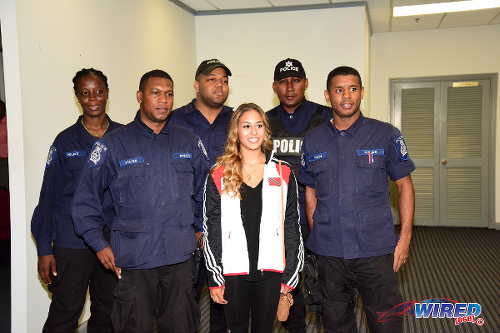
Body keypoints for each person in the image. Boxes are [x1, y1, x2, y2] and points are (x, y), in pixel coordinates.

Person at [72, 69, 209, 333]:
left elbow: (206, 191)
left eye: (169, 94)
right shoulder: (113, 145)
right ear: (139, 96)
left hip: (179, 259)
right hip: (135, 263)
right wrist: (99, 245)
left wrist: (201, 227)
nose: (163, 100)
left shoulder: (188, 141)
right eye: (155, 93)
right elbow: (84, 201)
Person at [299, 66, 415, 333]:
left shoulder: (386, 135)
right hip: (330, 253)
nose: (346, 96)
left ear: (362, 93)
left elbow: (405, 185)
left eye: (353, 89)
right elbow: (310, 191)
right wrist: (318, 235)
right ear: (328, 95)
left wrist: (406, 237)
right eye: (339, 90)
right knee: (336, 322)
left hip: (374, 249)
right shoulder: (313, 141)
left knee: (386, 321)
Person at [31, 68, 122, 333]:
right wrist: (44, 249)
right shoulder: (65, 141)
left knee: (109, 310)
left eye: (98, 92)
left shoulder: (123, 137)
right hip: (72, 242)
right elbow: (48, 197)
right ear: (77, 97)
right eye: (85, 93)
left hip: (111, 240)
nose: (93, 98)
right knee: (66, 310)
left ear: (107, 94)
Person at [203, 103, 304, 333]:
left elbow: (293, 226)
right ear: (235, 131)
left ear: (266, 130)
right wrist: (215, 277)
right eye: (246, 126)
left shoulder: (283, 171)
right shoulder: (219, 173)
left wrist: (290, 276)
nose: (253, 132)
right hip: (232, 272)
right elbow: (211, 229)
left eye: (259, 125)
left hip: (271, 271)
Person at [169, 58, 232, 333]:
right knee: (184, 302)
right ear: (197, 86)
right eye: (211, 79)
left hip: (229, 225)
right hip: (186, 226)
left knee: (225, 300)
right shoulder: (175, 120)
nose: (219, 85)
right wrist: (194, 225)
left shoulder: (237, 119)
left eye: (223, 80)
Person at [267, 58, 331, 332]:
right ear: (275, 86)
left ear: (305, 83)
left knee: (325, 280)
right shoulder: (265, 122)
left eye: (295, 81)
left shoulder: (326, 117)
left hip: (320, 213)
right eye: (283, 82)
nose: (290, 87)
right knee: (286, 281)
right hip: (279, 217)